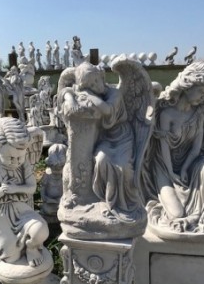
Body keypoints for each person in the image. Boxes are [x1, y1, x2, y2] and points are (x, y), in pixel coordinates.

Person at [143, 62, 204, 234]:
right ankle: (188, 214)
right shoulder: (166, 114)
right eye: (202, 91)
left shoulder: (198, 114)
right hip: (164, 168)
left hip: (189, 164)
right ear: (189, 85)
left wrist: (184, 169)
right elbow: (163, 149)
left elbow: (195, 149)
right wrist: (172, 173)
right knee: (176, 214)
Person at [58, 62, 142, 221]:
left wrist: (89, 95)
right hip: (106, 138)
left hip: (122, 138)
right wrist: (70, 97)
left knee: (123, 167)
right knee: (101, 160)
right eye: (91, 85)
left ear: (101, 77)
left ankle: (121, 203)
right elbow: (65, 91)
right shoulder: (89, 92)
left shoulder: (114, 93)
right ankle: (104, 199)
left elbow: (107, 110)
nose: (96, 85)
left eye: (97, 80)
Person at [0, 117, 49, 267]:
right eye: (10, 157)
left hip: (23, 211)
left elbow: (31, 188)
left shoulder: (23, 164)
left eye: (20, 157)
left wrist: (15, 188)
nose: (16, 162)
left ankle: (31, 247)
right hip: (1, 215)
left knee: (41, 231)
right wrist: (2, 190)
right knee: (10, 258)